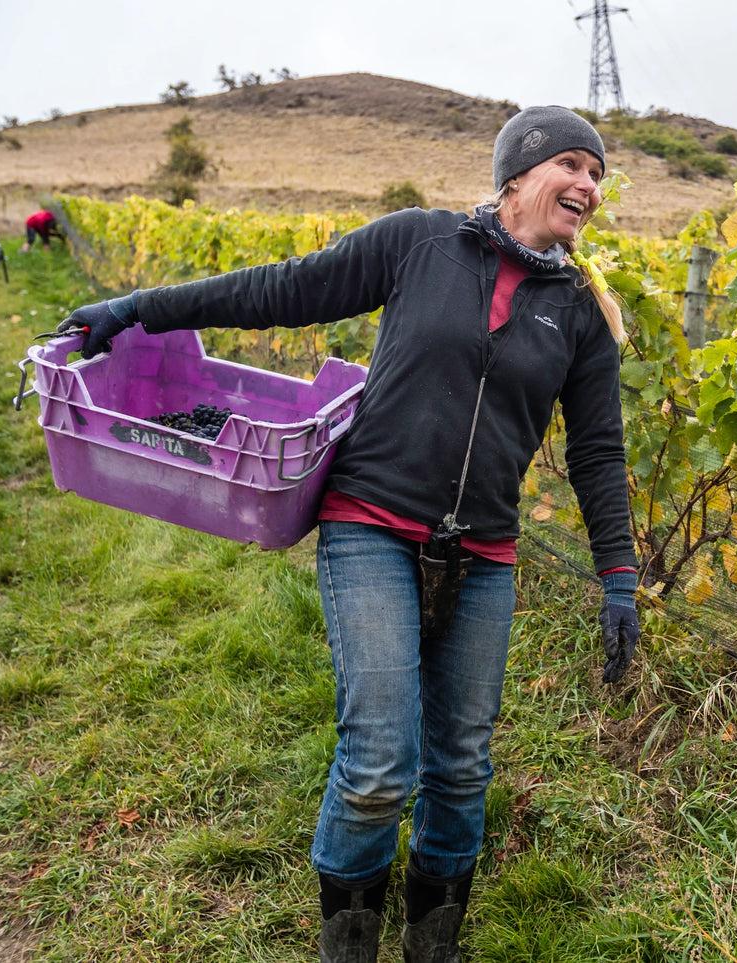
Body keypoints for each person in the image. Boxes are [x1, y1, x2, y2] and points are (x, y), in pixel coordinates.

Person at [56, 105, 640, 963]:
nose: (589, 185)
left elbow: (597, 447)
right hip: (370, 522)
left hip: (482, 553)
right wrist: (140, 308)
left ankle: (430, 947)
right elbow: (281, 289)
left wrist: (618, 573)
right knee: (377, 765)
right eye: (571, 165)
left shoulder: (580, 312)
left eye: (598, 173)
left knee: (463, 769)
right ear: (515, 175)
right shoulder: (419, 242)